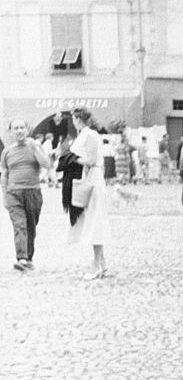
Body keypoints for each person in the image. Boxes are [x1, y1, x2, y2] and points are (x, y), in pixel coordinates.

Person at [64, 108, 111, 279]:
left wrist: (71, 158)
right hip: (88, 177)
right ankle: (102, 263)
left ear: (77, 119)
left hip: (92, 178)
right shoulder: (85, 134)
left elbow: (91, 161)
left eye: (74, 118)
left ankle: (96, 265)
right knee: (91, 219)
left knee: (95, 220)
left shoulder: (90, 135)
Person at [1, 118, 50, 272]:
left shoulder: (35, 145)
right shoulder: (7, 151)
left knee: (31, 227)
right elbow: (4, 174)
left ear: (27, 130)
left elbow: (47, 164)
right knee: (19, 225)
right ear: (11, 132)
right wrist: (4, 195)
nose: (19, 131)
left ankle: (28, 258)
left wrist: (35, 148)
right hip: (13, 193)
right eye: (16, 128)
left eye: (22, 127)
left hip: (33, 192)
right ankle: (21, 258)